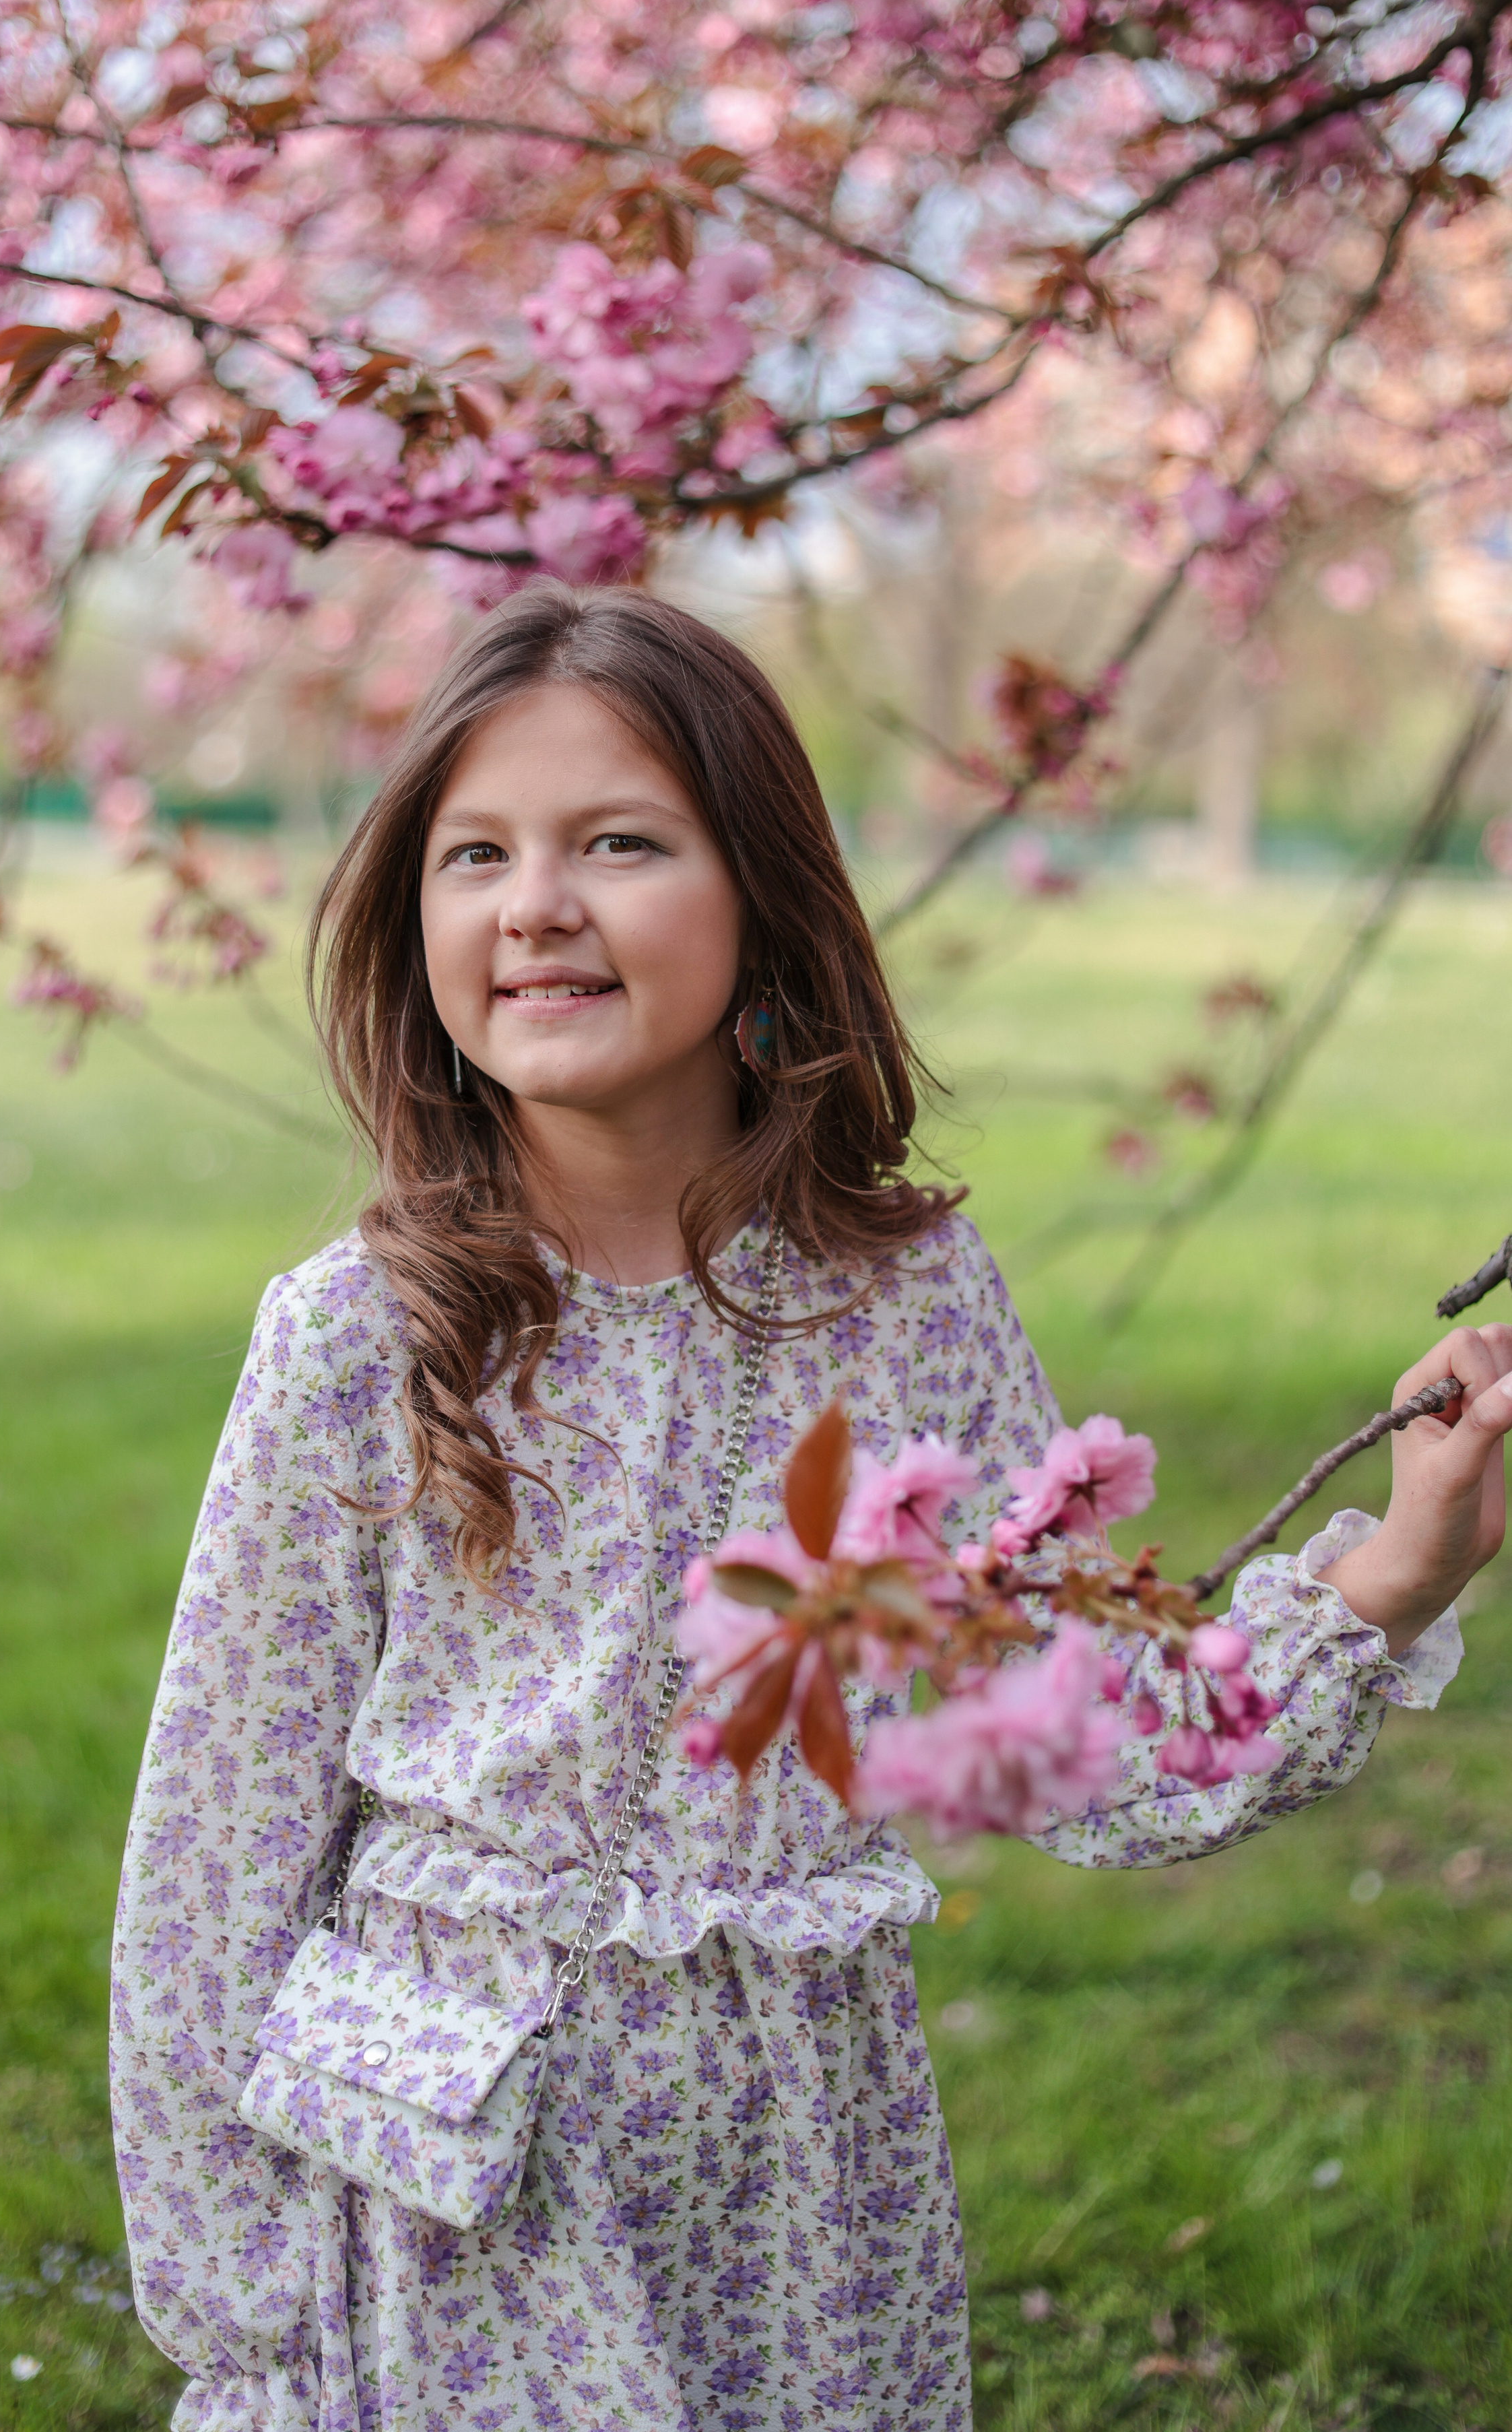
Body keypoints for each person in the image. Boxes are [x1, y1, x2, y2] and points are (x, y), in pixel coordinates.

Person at [111, 585, 1511, 2432]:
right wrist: (240, 2305)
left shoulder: (902, 1304)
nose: (538, 902)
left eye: (619, 842)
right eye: (475, 854)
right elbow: (219, 1847)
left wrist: (1401, 1563)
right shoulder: (363, 1337)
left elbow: (1070, 1732)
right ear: (413, 921)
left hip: (803, 2169)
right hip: (462, 2164)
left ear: (761, 894)